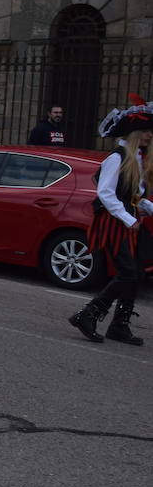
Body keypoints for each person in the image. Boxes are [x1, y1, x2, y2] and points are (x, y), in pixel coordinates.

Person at [67, 103, 153, 345]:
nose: (150, 135)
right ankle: (87, 315)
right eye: (147, 130)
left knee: (137, 274)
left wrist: (146, 207)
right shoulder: (116, 157)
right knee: (127, 273)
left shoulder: (137, 158)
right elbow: (105, 193)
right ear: (135, 133)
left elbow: (133, 195)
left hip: (130, 220)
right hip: (115, 222)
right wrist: (127, 218)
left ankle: (119, 325)